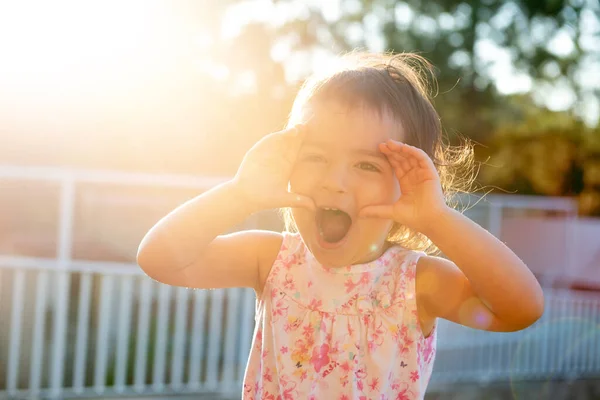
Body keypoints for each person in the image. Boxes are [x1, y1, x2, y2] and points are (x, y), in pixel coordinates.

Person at [137, 52, 544, 399]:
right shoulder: (272, 260)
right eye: (315, 157)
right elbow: (160, 259)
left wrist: (437, 219)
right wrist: (240, 194)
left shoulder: (414, 282)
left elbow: (521, 309)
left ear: (407, 185)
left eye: (366, 165)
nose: (334, 181)